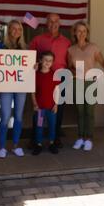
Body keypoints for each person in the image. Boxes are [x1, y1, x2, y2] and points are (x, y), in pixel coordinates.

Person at [29, 13, 71, 148]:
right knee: (38, 110)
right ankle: (36, 139)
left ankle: (55, 138)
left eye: (56, 21)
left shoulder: (67, 42)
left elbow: (70, 61)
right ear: (46, 23)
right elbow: (28, 57)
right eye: (50, 21)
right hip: (42, 77)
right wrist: (34, 64)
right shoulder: (38, 39)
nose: (53, 24)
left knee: (57, 110)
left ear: (60, 23)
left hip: (60, 78)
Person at [67, 21, 104, 152]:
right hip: (77, 82)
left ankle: (89, 138)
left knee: (89, 112)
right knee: (79, 112)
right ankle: (80, 137)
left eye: (84, 31)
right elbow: (69, 66)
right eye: (79, 31)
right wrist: (73, 72)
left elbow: (103, 61)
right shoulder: (71, 49)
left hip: (91, 82)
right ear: (75, 32)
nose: (81, 33)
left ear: (87, 33)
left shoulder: (93, 47)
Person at [0, 20, 28, 158]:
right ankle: (2, 147)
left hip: (21, 86)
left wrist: (34, 67)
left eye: (19, 29)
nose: (16, 31)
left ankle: (15, 145)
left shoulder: (26, 49)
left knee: (19, 116)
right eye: (13, 29)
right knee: (5, 116)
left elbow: (29, 68)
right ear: (8, 30)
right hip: (6, 86)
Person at [32, 51, 60, 155]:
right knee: (39, 126)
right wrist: (34, 103)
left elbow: (57, 90)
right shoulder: (36, 75)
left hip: (51, 107)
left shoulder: (54, 75)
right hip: (40, 108)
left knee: (52, 125)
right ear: (40, 60)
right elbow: (32, 91)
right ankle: (38, 144)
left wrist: (56, 104)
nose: (47, 62)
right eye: (45, 60)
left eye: (50, 61)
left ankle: (51, 143)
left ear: (52, 62)